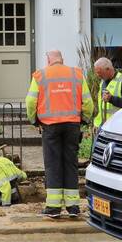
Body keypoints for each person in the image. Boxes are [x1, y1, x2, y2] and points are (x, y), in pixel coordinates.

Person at [26, 50, 94, 219]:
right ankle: (73, 207)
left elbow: (30, 102)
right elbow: (88, 102)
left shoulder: (40, 75)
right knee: (70, 163)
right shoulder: (76, 74)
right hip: (72, 126)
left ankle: (53, 208)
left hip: (50, 127)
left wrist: (35, 121)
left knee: (53, 164)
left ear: (48, 60)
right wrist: (83, 120)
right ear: (62, 60)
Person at [92, 57, 122, 135]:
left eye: (100, 72)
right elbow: (101, 107)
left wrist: (111, 99)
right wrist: (97, 124)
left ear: (108, 69)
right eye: (97, 73)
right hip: (103, 126)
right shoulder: (103, 81)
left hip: (118, 128)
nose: (98, 75)